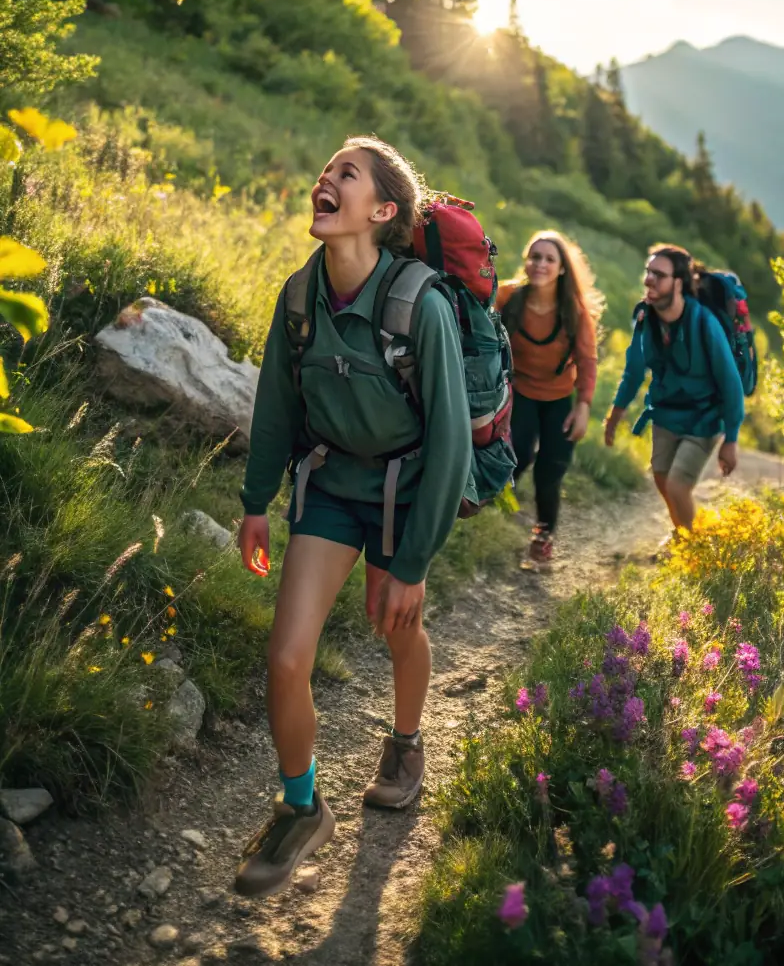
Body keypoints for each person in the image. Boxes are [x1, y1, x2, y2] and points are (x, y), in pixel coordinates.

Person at [233, 136, 472, 897]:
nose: (324, 179)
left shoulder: (419, 303)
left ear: (383, 210)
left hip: (406, 489)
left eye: (346, 172)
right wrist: (255, 503)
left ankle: (406, 743)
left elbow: (453, 442)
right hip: (333, 485)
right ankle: (301, 807)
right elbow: (275, 405)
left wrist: (413, 563)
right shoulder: (299, 297)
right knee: (284, 657)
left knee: (394, 620)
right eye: (324, 168)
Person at [604, 244, 744, 536]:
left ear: (678, 282)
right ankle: (683, 533)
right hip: (666, 416)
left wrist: (730, 439)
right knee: (661, 479)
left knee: (678, 485)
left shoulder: (704, 323)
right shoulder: (646, 319)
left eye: (659, 274)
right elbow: (634, 370)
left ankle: (691, 548)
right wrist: (615, 414)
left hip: (704, 420)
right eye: (648, 272)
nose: (649, 280)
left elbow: (731, 383)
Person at [497, 231, 602, 568]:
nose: (540, 264)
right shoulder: (508, 298)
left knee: (551, 470)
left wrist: (584, 406)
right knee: (518, 455)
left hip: (559, 397)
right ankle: (489, 510)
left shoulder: (574, 313)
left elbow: (587, 361)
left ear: (561, 269)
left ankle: (543, 538)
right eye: (534, 256)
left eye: (549, 259)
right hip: (520, 391)